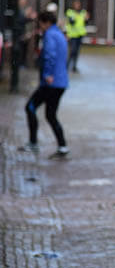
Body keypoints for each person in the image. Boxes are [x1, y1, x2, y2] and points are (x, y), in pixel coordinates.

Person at [20, 11, 69, 158]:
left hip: (51, 83)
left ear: (45, 22)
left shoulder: (49, 35)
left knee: (30, 107)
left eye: (40, 23)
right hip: (61, 82)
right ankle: (62, 146)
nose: (40, 26)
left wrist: (47, 75)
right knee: (51, 115)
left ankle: (33, 143)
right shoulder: (59, 34)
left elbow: (49, 56)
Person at [65, 0, 88, 73]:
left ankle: (74, 66)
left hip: (80, 34)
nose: (77, 6)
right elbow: (71, 22)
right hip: (72, 35)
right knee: (72, 50)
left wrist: (86, 19)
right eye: (76, 4)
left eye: (78, 4)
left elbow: (85, 23)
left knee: (77, 51)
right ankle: (67, 65)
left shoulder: (83, 12)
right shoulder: (70, 12)